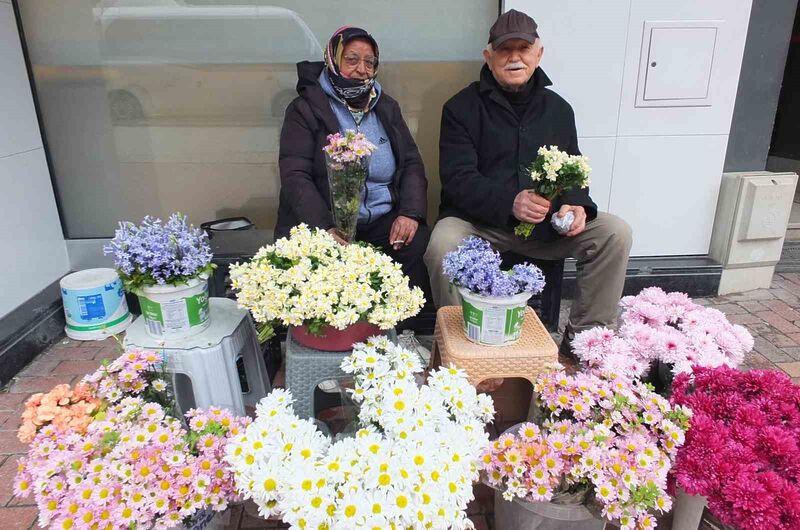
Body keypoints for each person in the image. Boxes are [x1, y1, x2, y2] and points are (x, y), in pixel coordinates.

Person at [424, 9, 633, 356]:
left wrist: (576, 204)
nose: (515, 57)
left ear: (539, 54)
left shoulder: (559, 110)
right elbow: (458, 180)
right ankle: (461, 346)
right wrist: (511, 202)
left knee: (615, 232)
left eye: (524, 48)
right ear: (489, 57)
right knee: (442, 245)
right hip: (480, 225)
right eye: (505, 50)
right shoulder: (460, 108)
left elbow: (573, 170)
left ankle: (586, 342)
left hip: (545, 229)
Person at [275, 26, 430, 296]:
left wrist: (409, 213)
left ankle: (405, 331)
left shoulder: (386, 106)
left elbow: (411, 163)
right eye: (352, 59)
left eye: (369, 62)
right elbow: (295, 175)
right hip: (328, 221)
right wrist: (325, 227)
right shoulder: (305, 109)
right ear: (333, 60)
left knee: (415, 244)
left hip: (382, 220)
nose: (362, 69)